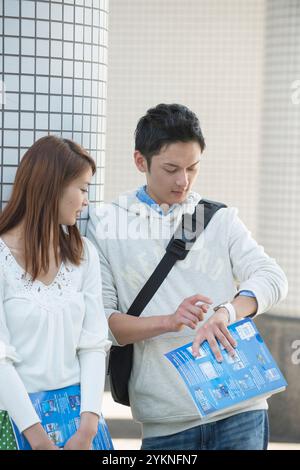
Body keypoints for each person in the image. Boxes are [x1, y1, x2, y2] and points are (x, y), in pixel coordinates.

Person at [87, 103, 288, 450]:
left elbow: (272, 277)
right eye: (171, 168)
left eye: (193, 168)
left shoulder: (217, 218)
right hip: (167, 422)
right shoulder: (106, 225)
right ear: (140, 162)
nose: (183, 181)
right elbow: (103, 323)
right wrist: (168, 321)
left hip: (241, 408)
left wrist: (227, 312)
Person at [0, 136, 111, 450]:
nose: (86, 201)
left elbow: (92, 345)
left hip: (79, 424)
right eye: (83, 188)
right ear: (52, 186)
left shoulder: (83, 254)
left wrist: (88, 428)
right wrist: (38, 440)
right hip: (15, 425)